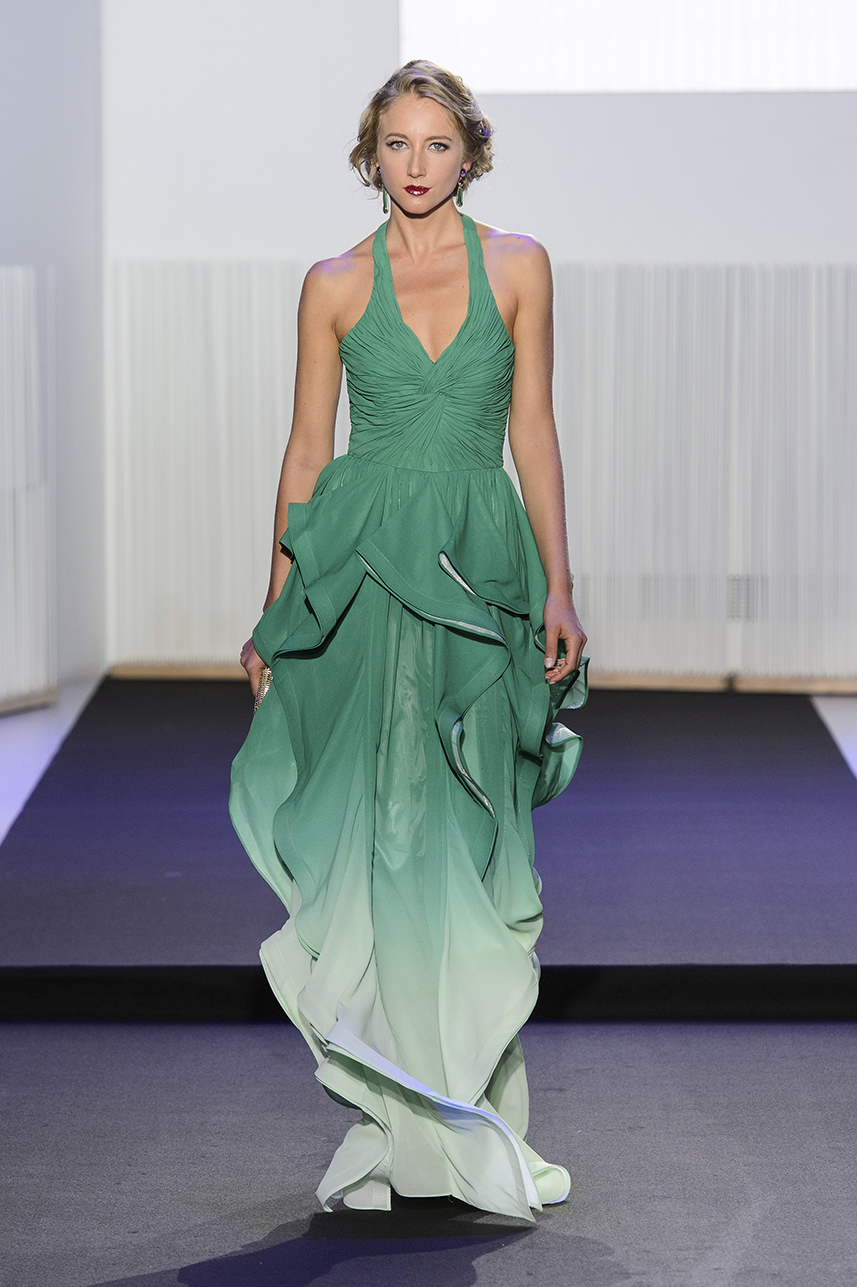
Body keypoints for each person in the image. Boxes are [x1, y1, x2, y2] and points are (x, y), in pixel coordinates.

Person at [229, 60, 588, 1223]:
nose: (416, 164)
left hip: (476, 573)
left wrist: (560, 586)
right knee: (381, 838)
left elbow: (531, 431)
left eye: (437, 144)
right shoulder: (333, 284)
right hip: (368, 574)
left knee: (464, 837)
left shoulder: (519, 266)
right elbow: (304, 453)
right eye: (396, 143)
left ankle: (465, 1121)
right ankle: (397, 1130)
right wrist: (278, 605)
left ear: (469, 154)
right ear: (368, 154)